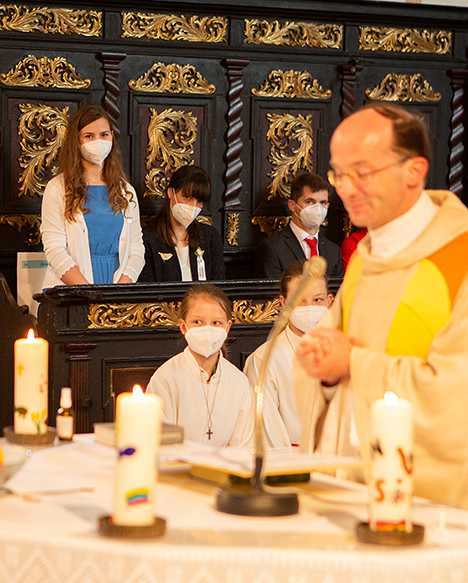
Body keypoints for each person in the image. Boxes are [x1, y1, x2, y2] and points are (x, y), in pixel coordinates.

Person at [293, 103, 468, 525]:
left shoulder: (466, 266)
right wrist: (324, 369)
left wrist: (353, 364)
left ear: (414, 170)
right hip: (353, 491)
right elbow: (333, 366)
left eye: (362, 172)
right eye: (339, 175)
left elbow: (464, 402)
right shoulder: (368, 257)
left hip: (436, 514)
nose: (347, 189)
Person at [40, 105, 144, 288]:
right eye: (89, 136)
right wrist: (88, 292)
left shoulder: (125, 190)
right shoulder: (57, 188)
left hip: (115, 289)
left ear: (112, 136)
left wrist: (119, 289)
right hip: (73, 289)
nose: (98, 142)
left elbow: (136, 249)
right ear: (76, 140)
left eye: (104, 135)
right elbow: (55, 249)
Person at [146, 284, 253, 447]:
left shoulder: (239, 382)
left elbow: (243, 446)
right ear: (183, 326)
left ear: (227, 328)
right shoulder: (165, 378)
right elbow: (159, 441)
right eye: (197, 322)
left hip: (224, 463)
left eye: (216, 323)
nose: (207, 330)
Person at [244, 260, 332, 448]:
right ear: (284, 303)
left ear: (329, 301)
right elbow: (267, 432)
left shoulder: (340, 352)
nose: (309, 308)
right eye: (299, 300)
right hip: (289, 457)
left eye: (318, 300)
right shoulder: (265, 359)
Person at [140, 165, 224, 282]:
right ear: (171, 192)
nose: (193, 206)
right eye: (187, 197)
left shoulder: (210, 237)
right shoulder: (149, 239)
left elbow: (218, 286)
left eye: (199, 201)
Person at [256, 171, 343, 280]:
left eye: (323, 203)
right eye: (310, 202)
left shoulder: (333, 251)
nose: (318, 209)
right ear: (292, 205)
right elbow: (274, 289)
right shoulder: (272, 248)